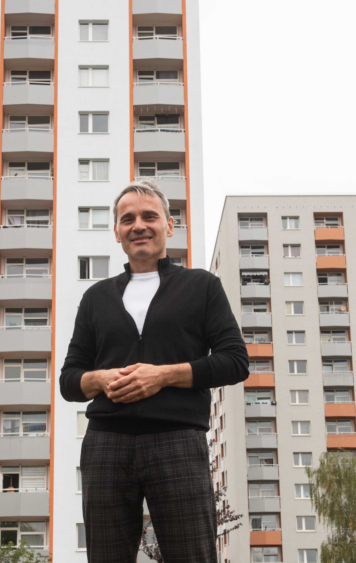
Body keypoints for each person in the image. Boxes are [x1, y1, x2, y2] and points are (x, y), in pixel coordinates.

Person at [60, 180, 249, 563]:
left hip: (177, 439)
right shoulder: (95, 298)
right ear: (116, 231)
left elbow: (235, 360)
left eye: (150, 216)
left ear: (169, 225)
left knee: (191, 556)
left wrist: (162, 376)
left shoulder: (202, 286)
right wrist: (99, 379)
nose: (138, 225)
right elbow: (69, 380)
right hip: (106, 445)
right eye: (127, 219)